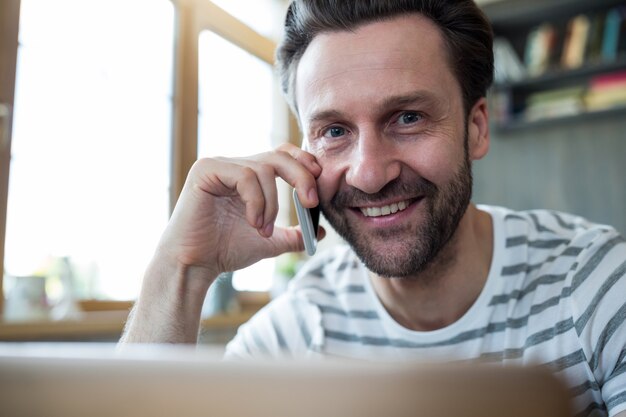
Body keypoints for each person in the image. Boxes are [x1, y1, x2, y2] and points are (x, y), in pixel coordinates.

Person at [120, 1, 626, 415]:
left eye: (408, 117)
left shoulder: (597, 284)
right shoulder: (301, 327)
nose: (368, 172)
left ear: (476, 128)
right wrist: (181, 270)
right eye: (334, 131)